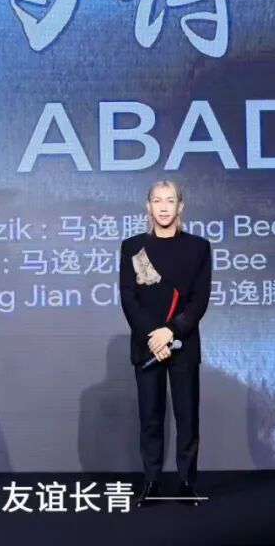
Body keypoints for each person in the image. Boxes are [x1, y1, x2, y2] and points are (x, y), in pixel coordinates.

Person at [118, 180, 212, 507]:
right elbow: (129, 298)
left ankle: (186, 482)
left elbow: (199, 299)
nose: (163, 207)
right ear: (148, 206)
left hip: (183, 342)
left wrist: (171, 332)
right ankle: (152, 482)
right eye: (157, 201)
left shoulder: (198, 247)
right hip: (147, 346)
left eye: (169, 201)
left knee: (187, 417)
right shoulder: (133, 247)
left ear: (180, 206)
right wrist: (154, 336)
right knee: (150, 418)